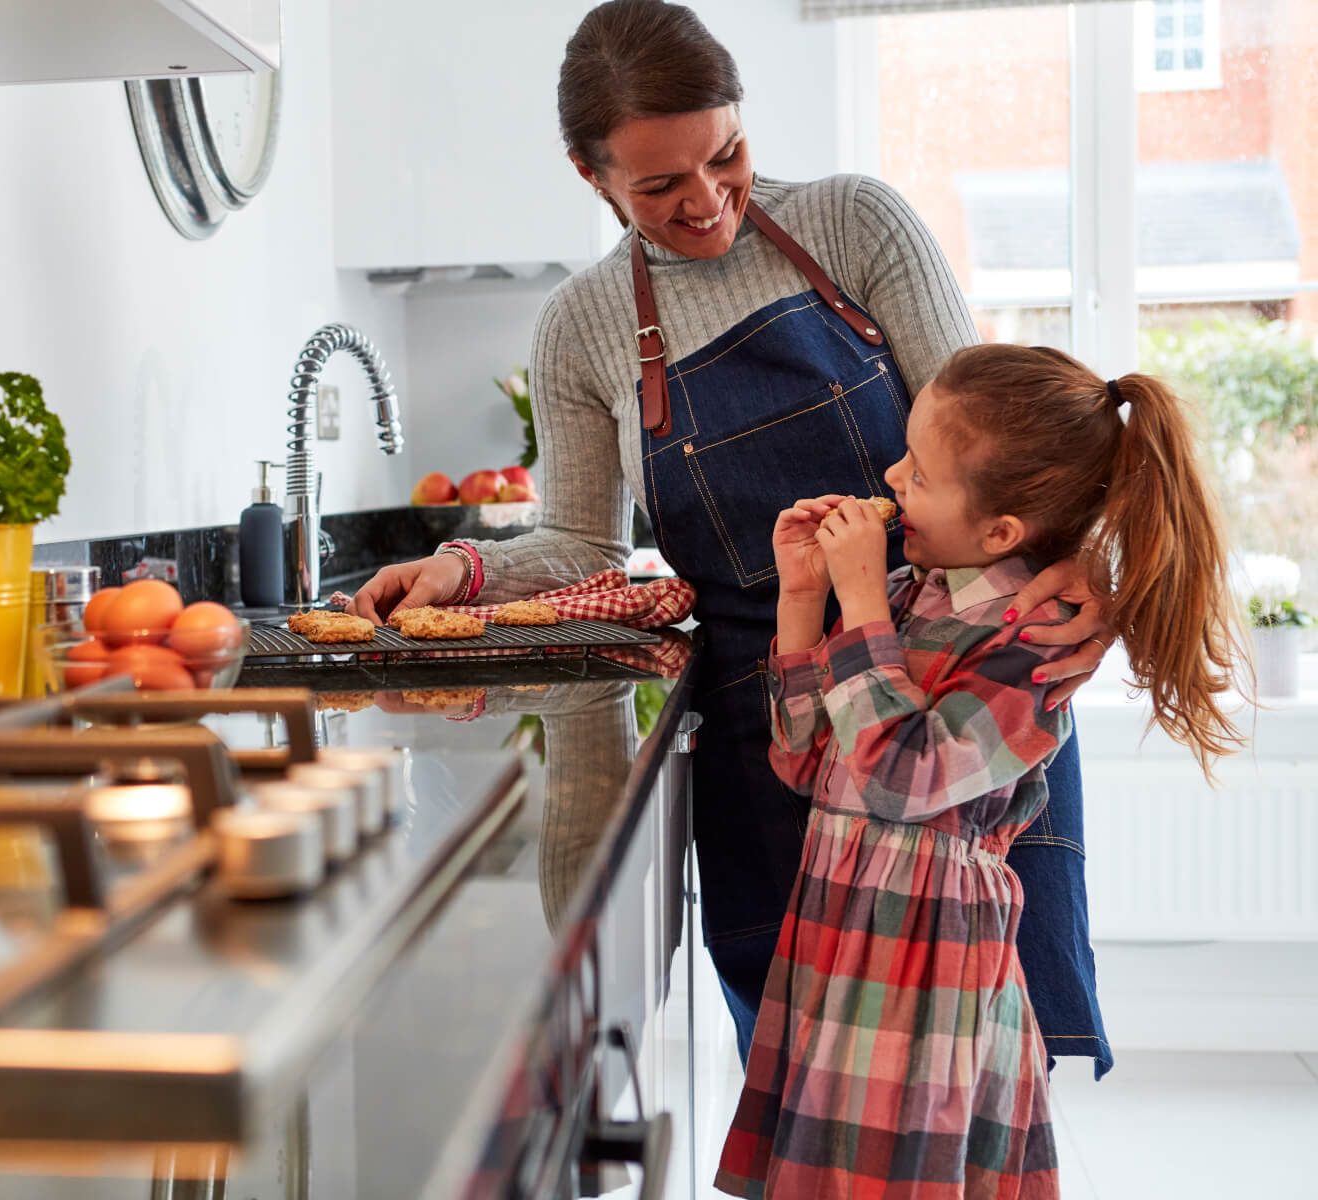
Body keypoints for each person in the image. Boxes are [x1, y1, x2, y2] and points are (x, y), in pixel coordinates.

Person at [345, 0, 1118, 1076]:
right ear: (593, 176)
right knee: (812, 1094)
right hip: (781, 732)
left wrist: (1091, 557)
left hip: (962, 704)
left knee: (974, 1079)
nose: (707, 201)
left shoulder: (858, 225)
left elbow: (999, 445)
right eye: (659, 185)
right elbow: (581, 543)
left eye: (727, 156)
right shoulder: (581, 326)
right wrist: (463, 568)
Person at [715, 344, 1245, 1198]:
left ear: (1001, 533)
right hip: (843, 934)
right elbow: (806, 761)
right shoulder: (907, 594)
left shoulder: (1029, 646)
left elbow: (900, 781)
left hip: (924, 957)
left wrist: (854, 606)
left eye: (919, 472)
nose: (891, 477)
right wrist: (804, 599)